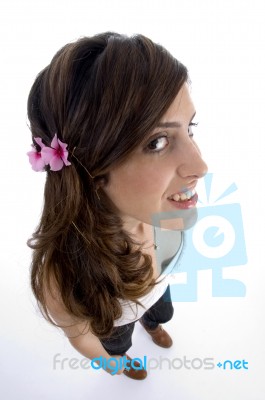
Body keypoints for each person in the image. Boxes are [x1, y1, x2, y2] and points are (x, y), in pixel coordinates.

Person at [27, 32, 208, 380]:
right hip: (116, 320)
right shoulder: (64, 279)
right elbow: (81, 336)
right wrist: (110, 362)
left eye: (191, 128)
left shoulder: (164, 218)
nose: (200, 167)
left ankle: (154, 326)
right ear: (92, 170)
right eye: (157, 141)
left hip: (156, 290)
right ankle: (126, 358)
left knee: (160, 310)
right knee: (118, 341)